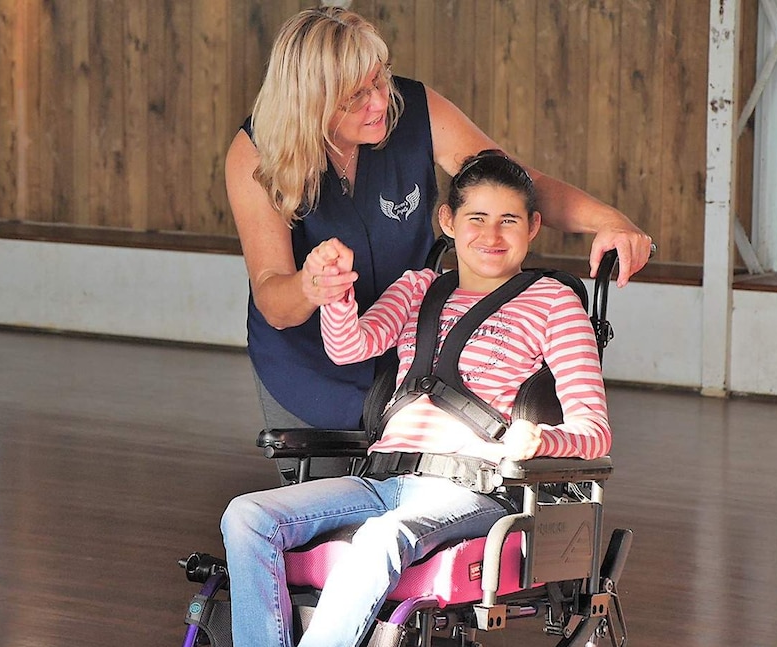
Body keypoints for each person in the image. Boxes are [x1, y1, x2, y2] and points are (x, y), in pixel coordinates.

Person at [220, 151, 612, 647]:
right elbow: (349, 348)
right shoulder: (418, 289)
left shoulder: (555, 302)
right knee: (246, 516)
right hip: (383, 478)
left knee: (382, 538)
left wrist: (541, 440)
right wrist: (336, 295)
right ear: (448, 221)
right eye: (476, 219)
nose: (491, 236)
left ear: (533, 226)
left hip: (476, 487)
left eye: (508, 220)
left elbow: (594, 430)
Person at [225, 5, 643, 456]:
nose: (381, 102)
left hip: (413, 355)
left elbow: (513, 183)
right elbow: (273, 298)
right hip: (311, 368)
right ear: (310, 101)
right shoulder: (255, 154)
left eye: (379, 79)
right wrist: (312, 286)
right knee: (329, 507)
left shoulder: (416, 109)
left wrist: (609, 220)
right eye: (355, 96)